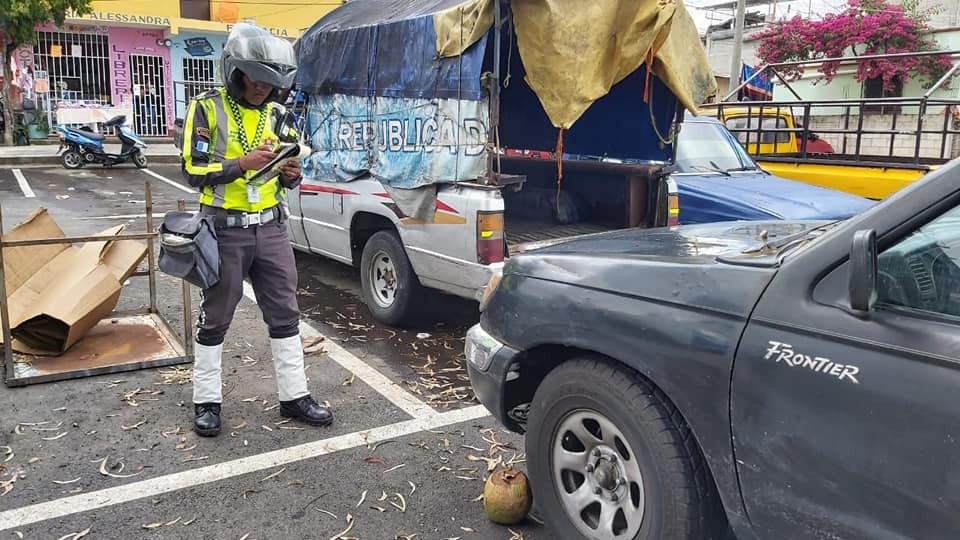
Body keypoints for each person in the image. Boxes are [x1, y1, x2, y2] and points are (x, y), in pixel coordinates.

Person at [180, 23, 332, 437]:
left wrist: (292, 174)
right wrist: (240, 165)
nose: (263, 87)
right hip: (223, 229)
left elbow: (287, 177)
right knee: (216, 316)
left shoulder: (281, 116)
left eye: (272, 82)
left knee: (286, 313)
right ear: (235, 71)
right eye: (256, 78)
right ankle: (206, 401)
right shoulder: (206, 109)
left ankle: (294, 396)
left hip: (271, 228)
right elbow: (193, 171)